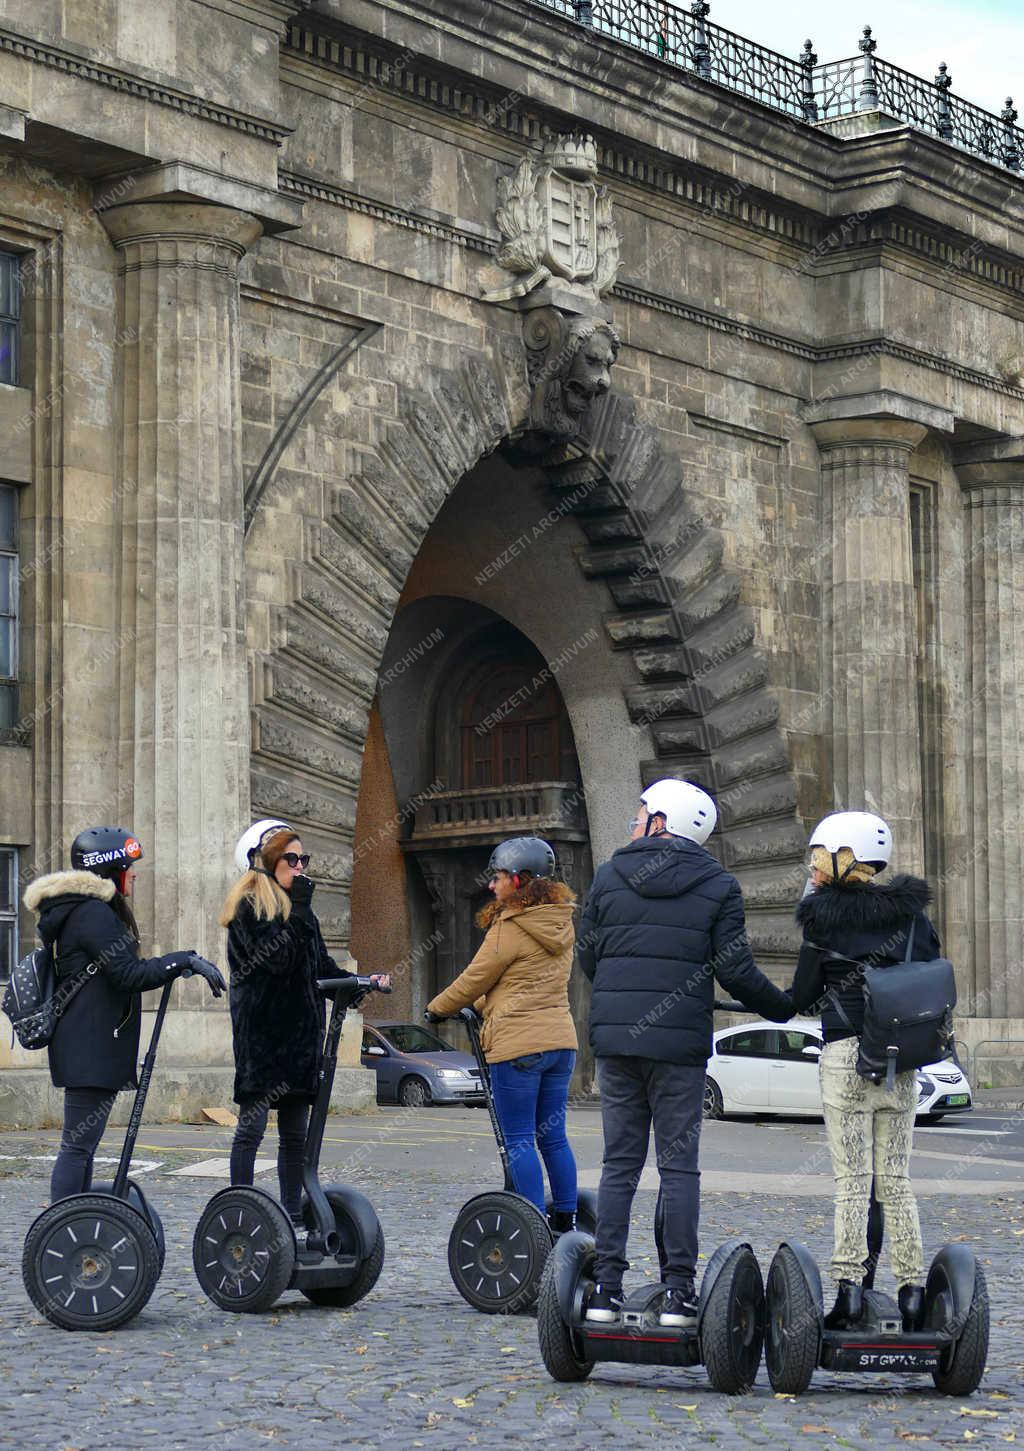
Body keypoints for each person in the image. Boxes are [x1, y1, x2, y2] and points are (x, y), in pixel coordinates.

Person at [577, 779, 793, 1327]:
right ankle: (678, 1292)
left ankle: (604, 1289)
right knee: (679, 1169)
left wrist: (622, 1003)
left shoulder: (608, 876)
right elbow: (736, 971)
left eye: (640, 811)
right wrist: (784, 1009)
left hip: (617, 1042)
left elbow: (588, 957)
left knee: (619, 1166)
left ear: (660, 820)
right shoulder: (719, 886)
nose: (633, 820)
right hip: (679, 1048)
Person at [786, 811, 941, 1332]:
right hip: (899, 1059)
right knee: (895, 1181)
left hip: (845, 1058)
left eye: (818, 855)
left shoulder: (822, 918)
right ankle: (913, 1294)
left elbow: (803, 997)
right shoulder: (914, 917)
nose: (812, 865)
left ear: (842, 856)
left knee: (852, 1182)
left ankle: (850, 1293)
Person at [23, 825, 225, 1202]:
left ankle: (74, 1219)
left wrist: (181, 963)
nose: (132, 874)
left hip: (87, 1045)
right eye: (127, 866)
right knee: (77, 1147)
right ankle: (60, 1226)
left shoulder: (86, 912)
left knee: (82, 1147)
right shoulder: (92, 914)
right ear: (107, 868)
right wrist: (185, 960)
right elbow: (129, 975)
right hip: (89, 1047)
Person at [223, 819, 389, 1228]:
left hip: (299, 1039)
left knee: (295, 1135)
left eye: (303, 859)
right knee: (253, 1129)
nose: (300, 867)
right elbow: (276, 962)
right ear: (265, 863)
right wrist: (298, 909)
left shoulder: (303, 915)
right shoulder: (249, 910)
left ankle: (293, 1216)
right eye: (291, 859)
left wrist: (359, 983)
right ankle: (241, 1212)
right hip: (263, 1038)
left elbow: (320, 966)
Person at [425, 837, 579, 1231]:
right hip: (560, 1043)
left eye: (498, 877)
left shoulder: (509, 926)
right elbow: (518, 983)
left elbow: (474, 979)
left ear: (519, 879)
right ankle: (567, 1217)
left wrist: (436, 1008)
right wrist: (478, 1008)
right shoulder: (559, 921)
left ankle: (533, 1228)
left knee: (520, 1140)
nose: (492, 886)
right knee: (554, 1139)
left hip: (519, 1047)